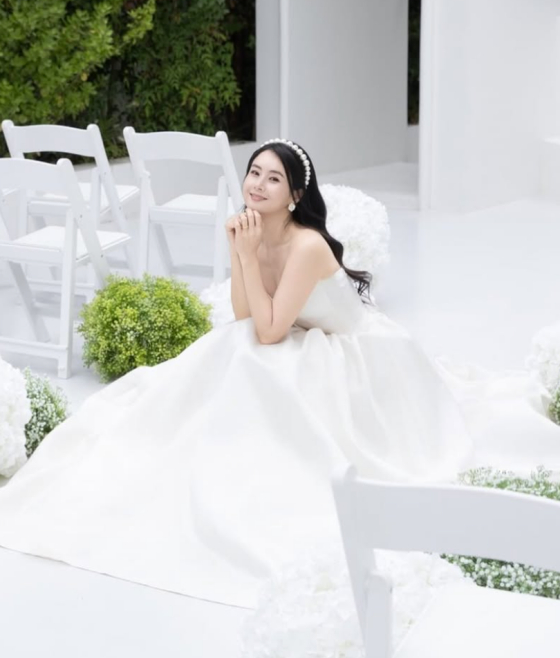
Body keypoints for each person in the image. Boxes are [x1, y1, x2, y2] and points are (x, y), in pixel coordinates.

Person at [0, 139, 557, 609]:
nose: (259, 185)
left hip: (355, 354)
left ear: (294, 196)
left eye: (274, 179)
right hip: (296, 334)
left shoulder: (307, 245)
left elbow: (268, 331)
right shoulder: (251, 228)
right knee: (230, 352)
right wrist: (242, 250)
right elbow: (246, 315)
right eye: (254, 173)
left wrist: (245, 256)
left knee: (255, 359)